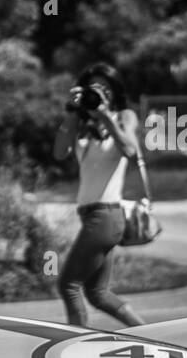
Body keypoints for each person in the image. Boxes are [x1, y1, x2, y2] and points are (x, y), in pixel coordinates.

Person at [52, 62, 146, 328]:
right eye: (94, 87)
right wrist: (72, 111)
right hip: (92, 216)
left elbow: (130, 150)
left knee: (68, 284)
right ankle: (154, 339)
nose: (99, 92)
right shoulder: (81, 122)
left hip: (106, 215)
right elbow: (59, 153)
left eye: (105, 87)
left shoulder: (124, 117)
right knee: (98, 293)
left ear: (114, 91)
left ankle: (75, 346)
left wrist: (105, 115)